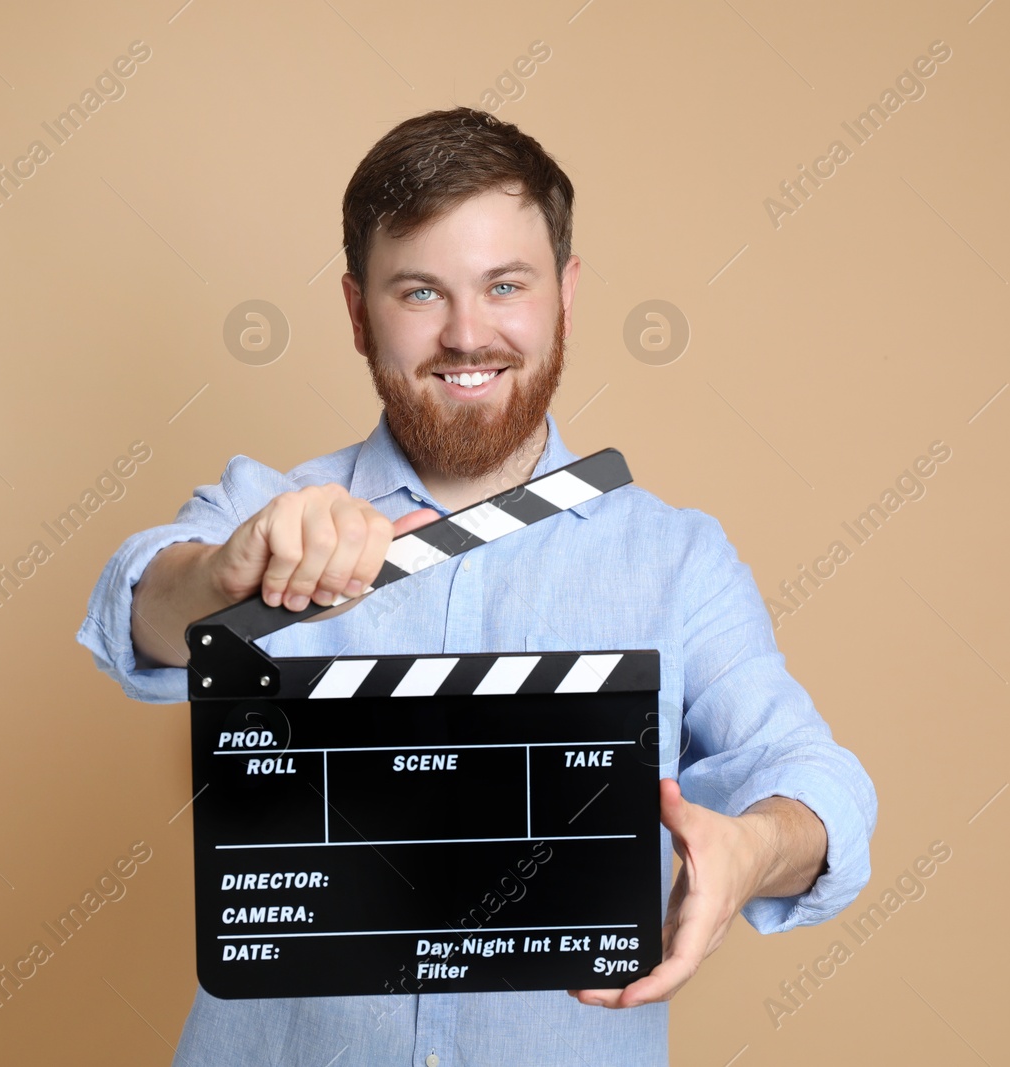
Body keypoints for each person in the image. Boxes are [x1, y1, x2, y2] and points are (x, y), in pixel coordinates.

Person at [77, 106, 877, 1067]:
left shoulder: (674, 558)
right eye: (420, 292)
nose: (467, 334)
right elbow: (139, 610)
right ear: (356, 308)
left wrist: (756, 849)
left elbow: (816, 778)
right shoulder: (275, 508)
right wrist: (223, 575)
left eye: (506, 285)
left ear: (566, 293)